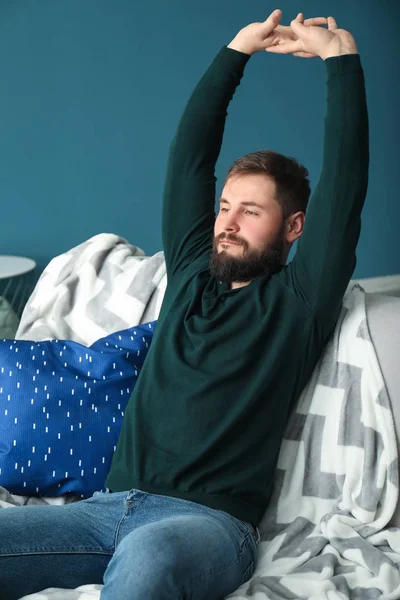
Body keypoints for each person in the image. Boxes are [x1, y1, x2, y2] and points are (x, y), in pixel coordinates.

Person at [0, 9, 368, 600]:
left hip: (208, 526)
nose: (228, 222)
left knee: (148, 562)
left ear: (294, 226)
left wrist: (340, 59)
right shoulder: (192, 274)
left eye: (251, 211)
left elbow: (347, 182)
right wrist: (237, 51)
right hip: (106, 510)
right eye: (225, 205)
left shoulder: (299, 301)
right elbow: (189, 156)